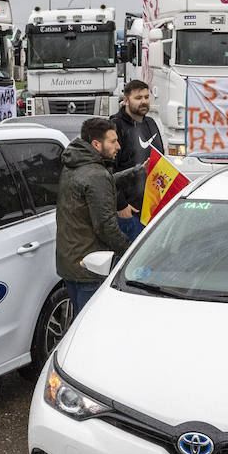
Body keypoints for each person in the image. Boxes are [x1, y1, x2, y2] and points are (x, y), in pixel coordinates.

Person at [55, 118, 142, 315]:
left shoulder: (76, 163)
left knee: (80, 319)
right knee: (93, 322)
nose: (118, 146)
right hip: (92, 266)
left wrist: (137, 172)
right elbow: (106, 227)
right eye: (113, 141)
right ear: (96, 144)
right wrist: (131, 253)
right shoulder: (96, 175)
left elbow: (101, 184)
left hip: (71, 262)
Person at [109, 79, 163, 240]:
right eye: (138, 98)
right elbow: (107, 171)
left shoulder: (151, 123)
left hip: (152, 208)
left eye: (146, 97)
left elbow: (160, 160)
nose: (144, 101)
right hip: (129, 211)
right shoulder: (115, 126)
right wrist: (120, 204)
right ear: (126, 100)